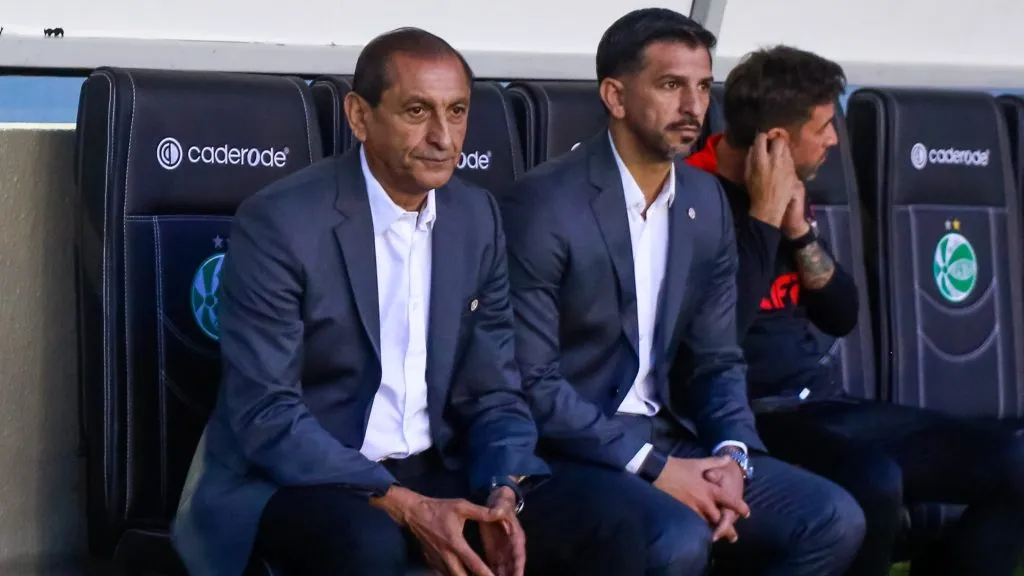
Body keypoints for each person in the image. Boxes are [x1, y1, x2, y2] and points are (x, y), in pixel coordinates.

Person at [171, 27, 650, 576]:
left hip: (438, 463)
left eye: (457, 111)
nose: (443, 137)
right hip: (306, 477)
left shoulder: (476, 217)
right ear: (359, 116)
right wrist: (404, 504)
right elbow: (267, 414)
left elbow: (494, 390)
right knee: (369, 545)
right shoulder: (280, 223)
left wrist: (502, 490)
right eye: (417, 111)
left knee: (625, 525)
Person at [500, 9, 865, 576]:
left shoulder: (704, 199)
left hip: (674, 438)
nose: (694, 105)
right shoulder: (543, 204)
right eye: (671, 85)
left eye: (702, 86)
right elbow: (533, 382)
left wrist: (733, 456)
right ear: (616, 97)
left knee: (831, 519)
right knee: (676, 538)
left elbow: (718, 359)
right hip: (570, 452)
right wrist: (655, 467)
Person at [686, 44, 1024, 576]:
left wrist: (799, 232)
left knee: (1013, 462)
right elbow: (717, 336)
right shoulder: (690, 196)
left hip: (817, 402)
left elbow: (839, 316)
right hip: (744, 416)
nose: (833, 140)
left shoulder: (793, 190)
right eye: (823, 126)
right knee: (874, 481)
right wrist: (764, 219)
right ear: (777, 139)